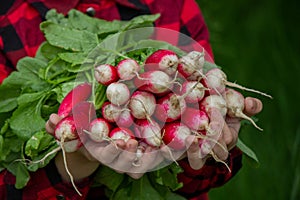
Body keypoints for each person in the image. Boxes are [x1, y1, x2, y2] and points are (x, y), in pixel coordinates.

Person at [0, 0, 263, 199]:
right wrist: (71, 166)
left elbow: (204, 179)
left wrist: (202, 153)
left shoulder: (172, 5)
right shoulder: (8, 19)